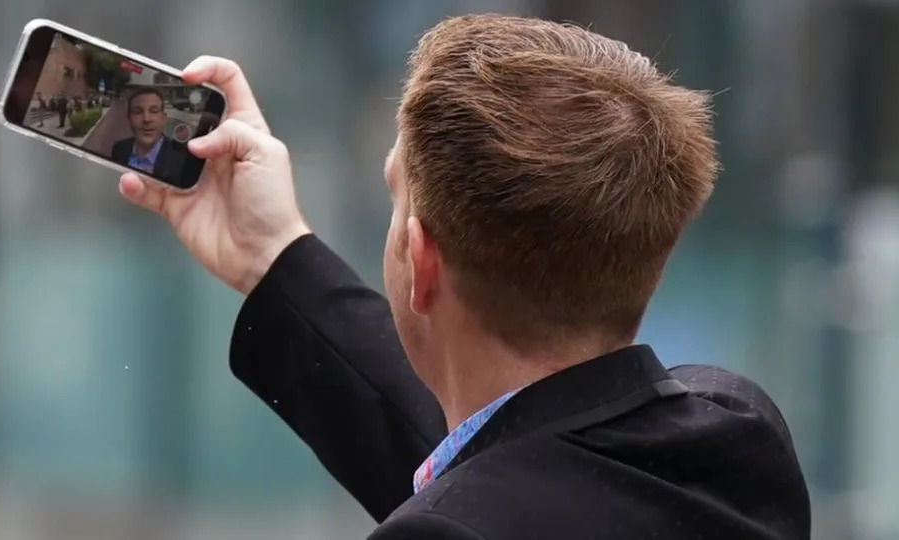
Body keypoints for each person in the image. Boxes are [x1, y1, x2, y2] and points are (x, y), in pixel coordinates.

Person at [118, 15, 811, 540]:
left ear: (419, 261)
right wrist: (274, 254)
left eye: (395, 199)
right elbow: (512, 469)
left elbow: (494, 492)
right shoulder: (736, 438)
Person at [111, 86, 186, 182]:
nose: (146, 119)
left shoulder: (181, 158)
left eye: (154, 111)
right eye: (138, 112)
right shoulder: (119, 149)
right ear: (129, 119)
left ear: (163, 118)